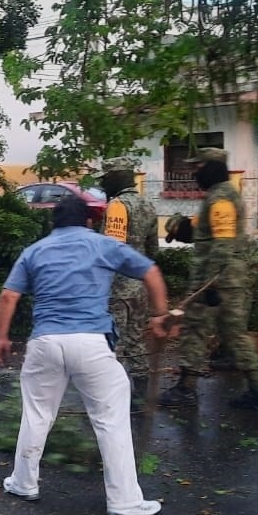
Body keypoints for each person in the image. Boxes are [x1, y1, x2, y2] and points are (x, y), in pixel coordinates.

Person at [0, 194, 172, 515]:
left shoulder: (34, 251)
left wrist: (1, 338)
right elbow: (151, 272)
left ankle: (23, 483)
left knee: (36, 414)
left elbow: (8, 296)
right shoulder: (102, 244)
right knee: (111, 419)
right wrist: (160, 317)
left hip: (45, 342)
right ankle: (124, 501)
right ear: (89, 221)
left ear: (53, 223)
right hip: (91, 343)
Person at [159, 148, 258, 410]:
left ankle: (186, 390)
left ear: (212, 167)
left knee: (195, 329)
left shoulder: (220, 198)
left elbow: (222, 244)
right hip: (228, 278)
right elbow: (203, 228)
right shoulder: (220, 195)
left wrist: (210, 284)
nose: (195, 173)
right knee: (234, 335)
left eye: (198, 167)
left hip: (214, 279)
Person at [97, 157, 159, 404]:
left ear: (117, 178)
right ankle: (141, 395)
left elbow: (112, 248)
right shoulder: (147, 205)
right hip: (140, 286)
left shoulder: (118, 205)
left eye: (105, 179)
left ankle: (115, 397)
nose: (103, 184)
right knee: (135, 340)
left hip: (118, 288)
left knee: (115, 342)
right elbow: (153, 252)